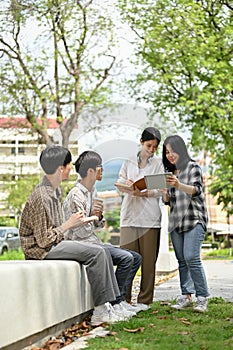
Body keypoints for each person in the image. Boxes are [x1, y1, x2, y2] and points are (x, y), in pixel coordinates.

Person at [19, 145, 125, 326]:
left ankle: (110, 305)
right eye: (68, 164)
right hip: (40, 250)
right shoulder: (41, 196)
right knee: (97, 253)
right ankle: (99, 311)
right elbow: (43, 241)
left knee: (101, 250)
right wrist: (69, 224)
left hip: (54, 243)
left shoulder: (54, 191)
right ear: (61, 168)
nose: (71, 168)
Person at [63, 150, 142, 319]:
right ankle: (114, 303)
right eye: (100, 167)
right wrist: (95, 217)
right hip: (82, 244)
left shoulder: (92, 192)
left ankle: (118, 303)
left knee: (135, 257)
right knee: (126, 259)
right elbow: (80, 231)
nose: (103, 171)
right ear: (91, 170)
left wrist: (98, 218)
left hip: (93, 241)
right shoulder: (76, 195)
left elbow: (97, 226)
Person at [116, 127, 164, 310]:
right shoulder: (128, 161)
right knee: (126, 259)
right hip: (129, 217)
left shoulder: (158, 163)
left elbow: (161, 187)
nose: (151, 150)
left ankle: (145, 301)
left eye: (155, 147)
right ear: (141, 142)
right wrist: (127, 184)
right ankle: (123, 299)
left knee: (148, 262)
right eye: (149, 145)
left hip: (150, 219)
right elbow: (120, 180)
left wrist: (145, 192)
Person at [162, 135, 209, 312]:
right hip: (176, 222)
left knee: (191, 257)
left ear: (181, 150)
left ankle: (202, 297)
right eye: (167, 152)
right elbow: (169, 201)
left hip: (194, 218)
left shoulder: (193, 167)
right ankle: (186, 295)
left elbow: (197, 190)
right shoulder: (169, 174)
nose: (170, 155)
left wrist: (179, 184)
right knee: (181, 260)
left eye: (173, 150)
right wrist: (165, 193)